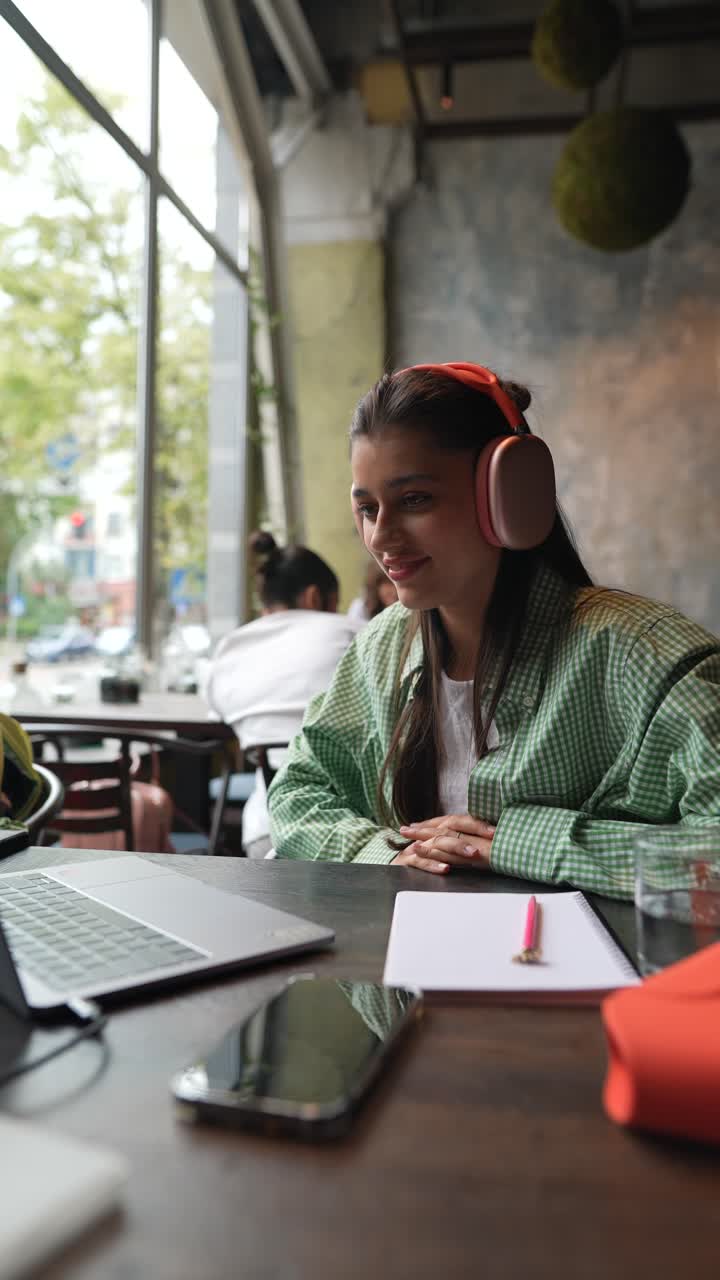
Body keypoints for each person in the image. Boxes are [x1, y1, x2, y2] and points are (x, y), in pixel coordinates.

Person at [268, 361, 720, 899]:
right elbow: (298, 791)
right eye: (367, 508)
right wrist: (388, 853)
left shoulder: (643, 656)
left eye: (414, 499)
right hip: (401, 972)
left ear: (509, 493)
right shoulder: (379, 648)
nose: (381, 535)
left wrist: (514, 842)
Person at [204, 531, 362, 858]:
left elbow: (217, 714)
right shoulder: (355, 633)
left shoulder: (231, 647)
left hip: (266, 834)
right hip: (356, 836)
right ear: (315, 597)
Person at [347, 559, 398, 623]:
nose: (394, 591)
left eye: (397, 584)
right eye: (388, 584)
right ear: (376, 586)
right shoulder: (361, 607)